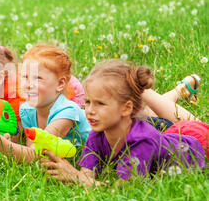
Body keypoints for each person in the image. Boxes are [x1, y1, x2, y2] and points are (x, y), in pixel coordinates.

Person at [40, 60, 206, 186]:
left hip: (199, 141)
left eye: (100, 103)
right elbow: (87, 175)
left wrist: (75, 176)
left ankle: (181, 90)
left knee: (187, 122)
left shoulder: (142, 141)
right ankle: (179, 92)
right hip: (168, 135)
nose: (89, 110)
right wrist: (71, 172)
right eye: (88, 102)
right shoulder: (97, 134)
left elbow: (123, 189)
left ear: (126, 108)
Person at [0, 43, 91, 162]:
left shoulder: (67, 111)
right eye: (25, 77)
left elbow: (35, 156)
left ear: (60, 83)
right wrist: (3, 141)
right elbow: (29, 151)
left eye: (37, 78)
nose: (28, 85)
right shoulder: (27, 110)